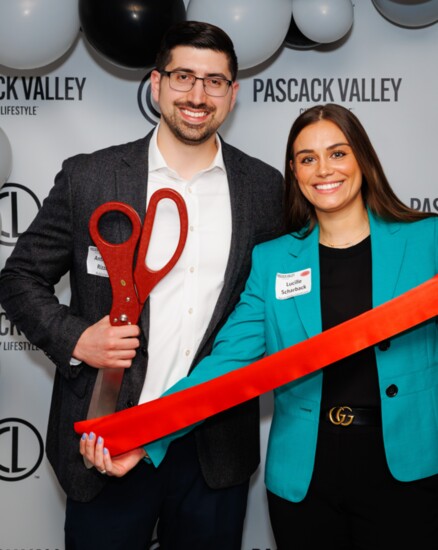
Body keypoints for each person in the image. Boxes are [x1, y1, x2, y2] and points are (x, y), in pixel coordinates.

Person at [82, 103, 438, 549]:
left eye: (338, 153)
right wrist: (142, 438)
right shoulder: (273, 262)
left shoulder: (428, 242)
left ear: (362, 159)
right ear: (294, 171)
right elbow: (225, 366)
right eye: (307, 158)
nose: (323, 169)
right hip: (305, 480)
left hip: (410, 469)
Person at [0, 21, 285, 550]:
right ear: (156, 84)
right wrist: (77, 338)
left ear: (233, 93)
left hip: (212, 451)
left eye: (214, 81)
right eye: (183, 77)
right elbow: (18, 278)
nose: (197, 95)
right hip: (108, 442)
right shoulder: (91, 177)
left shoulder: (266, 190)